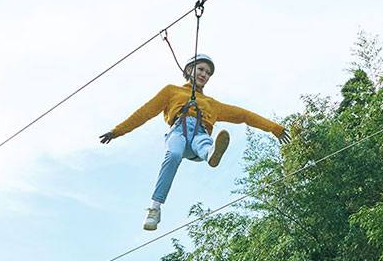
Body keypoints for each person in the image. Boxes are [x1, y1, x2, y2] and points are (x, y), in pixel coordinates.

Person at [99, 54, 291, 231]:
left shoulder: (212, 103)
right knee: (173, 154)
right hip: (178, 132)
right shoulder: (171, 91)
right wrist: (117, 131)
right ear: (189, 70)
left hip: (199, 133)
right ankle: (154, 208)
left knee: (204, 143)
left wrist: (275, 128)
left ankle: (211, 154)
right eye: (201, 70)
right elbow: (145, 112)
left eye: (208, 73)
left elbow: (244, 115)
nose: (204, 75)